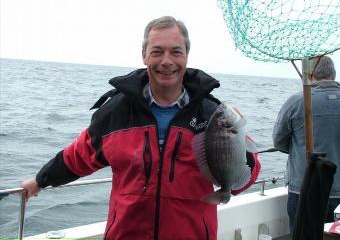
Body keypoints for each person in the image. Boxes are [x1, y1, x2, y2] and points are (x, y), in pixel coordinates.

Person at [21, 16, 261, 240]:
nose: (166, 61)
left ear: (186, 55)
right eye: (157, 52)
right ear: (144, 55)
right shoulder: (115, 111)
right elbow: (78, 157)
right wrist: (40, 180)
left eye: (175, 52)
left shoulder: (212, 114)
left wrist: (241, 148)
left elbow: (244, 179)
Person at [272, 55, 340, 233]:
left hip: (304, 189)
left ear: (310, 74)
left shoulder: (296, 101)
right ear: (333, 73)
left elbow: (279, 142)